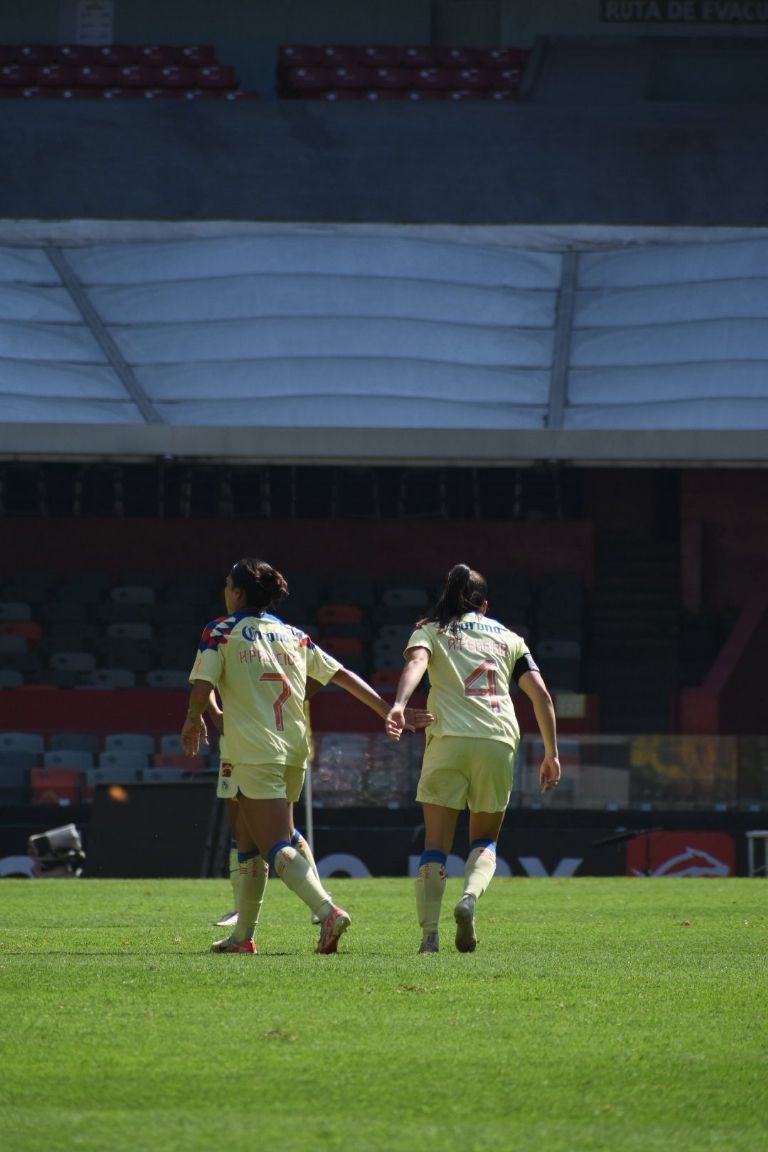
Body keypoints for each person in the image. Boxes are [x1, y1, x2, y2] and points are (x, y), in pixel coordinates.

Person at [182, 557, 431, 955]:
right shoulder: (294, 636)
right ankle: (243, 937)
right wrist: (387, 710)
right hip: (293, 749)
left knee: (274, 842)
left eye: (228, 584)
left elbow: (201, 685)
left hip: (253, 750)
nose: (224, 590)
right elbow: (341, 675)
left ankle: (327, 911)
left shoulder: (221, 631)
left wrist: (194, 719)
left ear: (238, 593)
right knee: (248, 840)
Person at [385, 563, 561, 955]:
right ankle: (468, 899)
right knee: (484, 839)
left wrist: (399, 704)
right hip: (497, 740)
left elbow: (416, 663)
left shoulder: (430, 629)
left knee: (435, 843)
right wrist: (551, 753)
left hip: (448, 738)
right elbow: (542, 696)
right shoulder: (510, 638)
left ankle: (429, 936)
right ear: (484, 605)